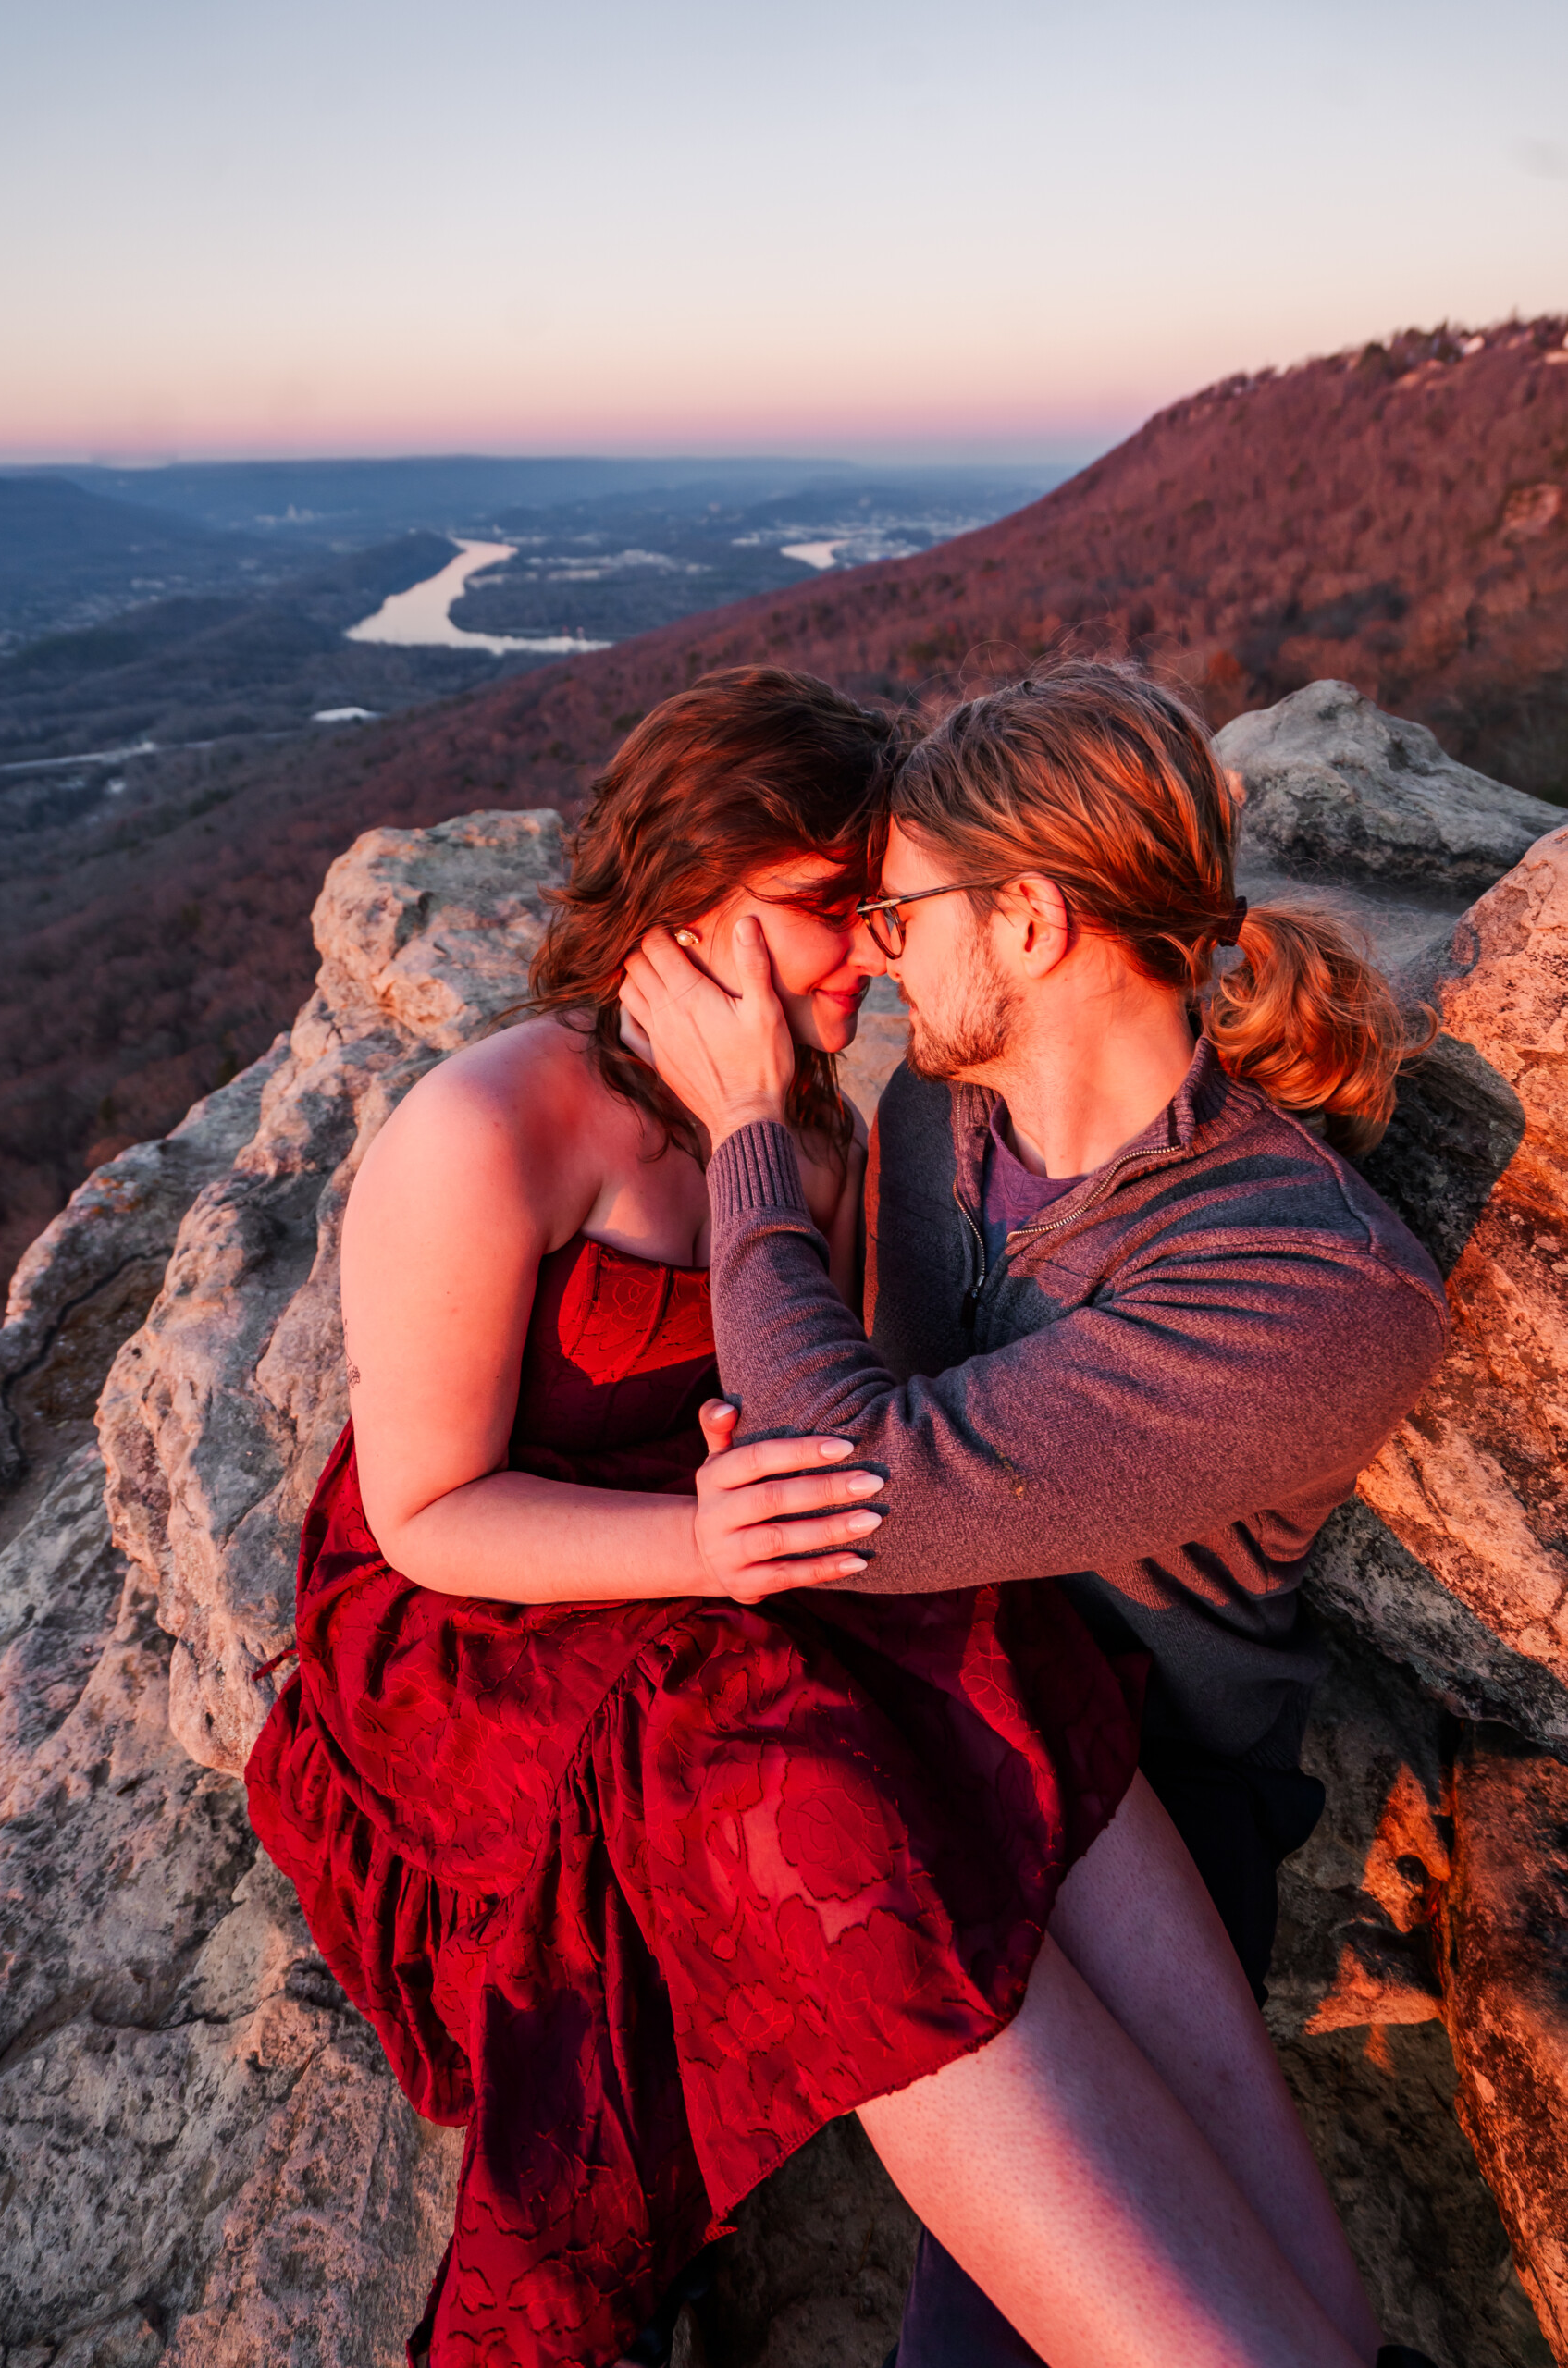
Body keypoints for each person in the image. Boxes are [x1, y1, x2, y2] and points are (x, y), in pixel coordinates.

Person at [244, 663, 1397, 2368]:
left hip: (784, 1542)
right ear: (682, 913)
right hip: (497, 1607)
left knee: (988, 1673)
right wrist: (704, 1545)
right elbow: (422, 1512)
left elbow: (860, 1439)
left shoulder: (832, 1134)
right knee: (785, 1767)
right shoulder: (488, 1133)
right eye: (826, 912)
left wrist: (751, 1173)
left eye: (884, 912)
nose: (868, 955)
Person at [619, 661, 1451, 2368]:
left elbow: (845, 1485)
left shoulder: (1309, 1281)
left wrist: (747, 1139)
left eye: (904, 909)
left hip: (1148, 1806)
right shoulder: (940, 1111)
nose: (878, 947)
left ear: (1035, 921)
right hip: (925, 1719)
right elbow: (832, 1428)